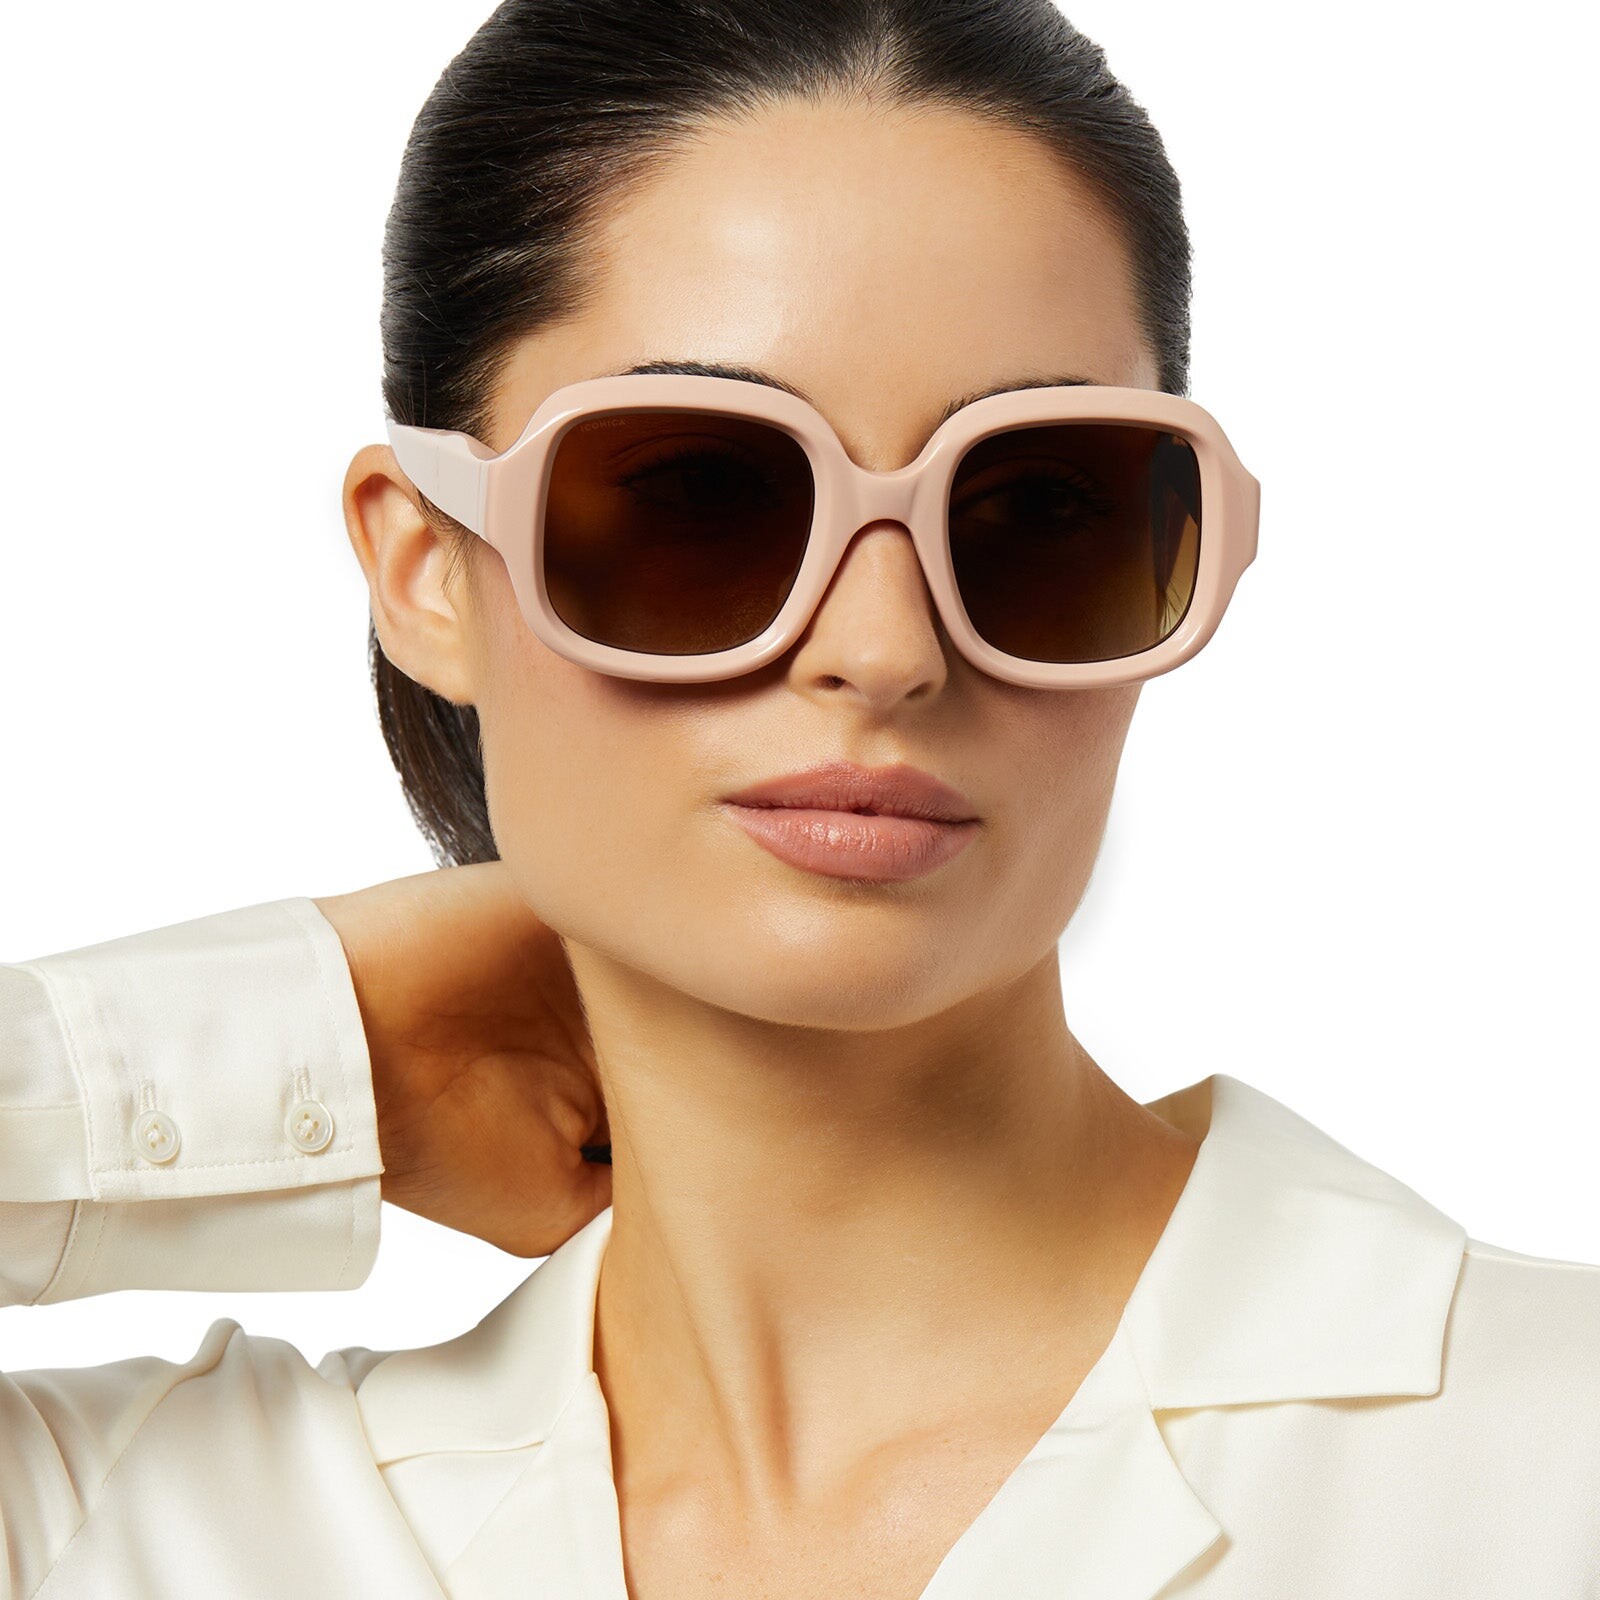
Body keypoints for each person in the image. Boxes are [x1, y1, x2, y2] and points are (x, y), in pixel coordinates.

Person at [3, 1, 1597, 1596]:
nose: (885, 652)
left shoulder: (1550, 1460)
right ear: (428, 570)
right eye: (706, 490)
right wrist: (315, 1055)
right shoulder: (141, 1532)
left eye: (1041, 505)